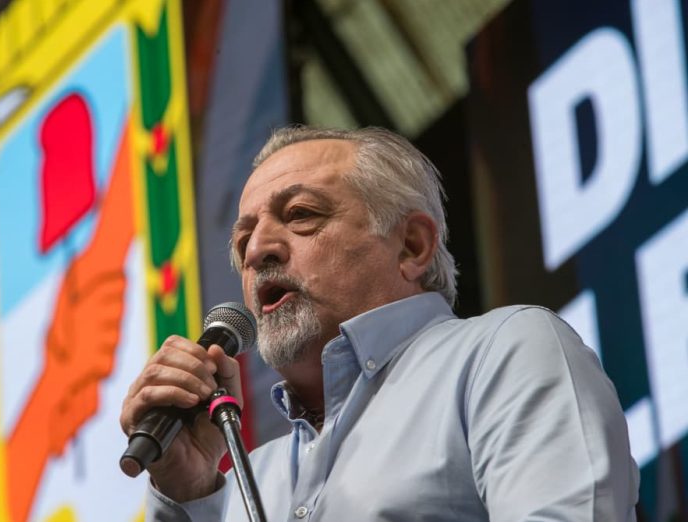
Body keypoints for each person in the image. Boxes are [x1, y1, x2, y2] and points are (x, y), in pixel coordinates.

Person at [120, 126, 639, 521]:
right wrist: (189, 492)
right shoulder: (252, 477)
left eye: (300, 214)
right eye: (242, 241)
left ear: (412, 245)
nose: (257, 251)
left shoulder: (503, 353)